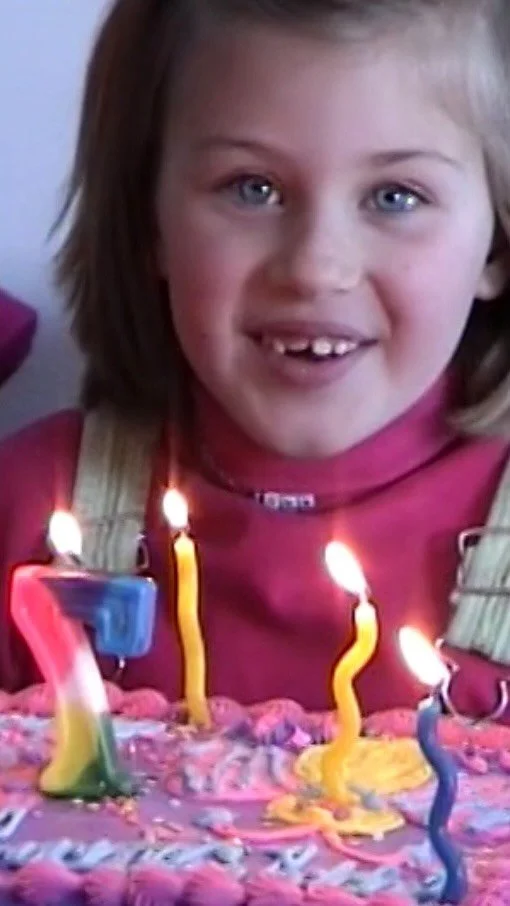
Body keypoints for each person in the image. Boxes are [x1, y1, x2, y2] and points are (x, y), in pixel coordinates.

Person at [1, 0, 510, 720]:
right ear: (148, 220)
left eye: (396, 197)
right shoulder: (26, 510)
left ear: (497, 242)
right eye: (253, 188)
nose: (315, 267)